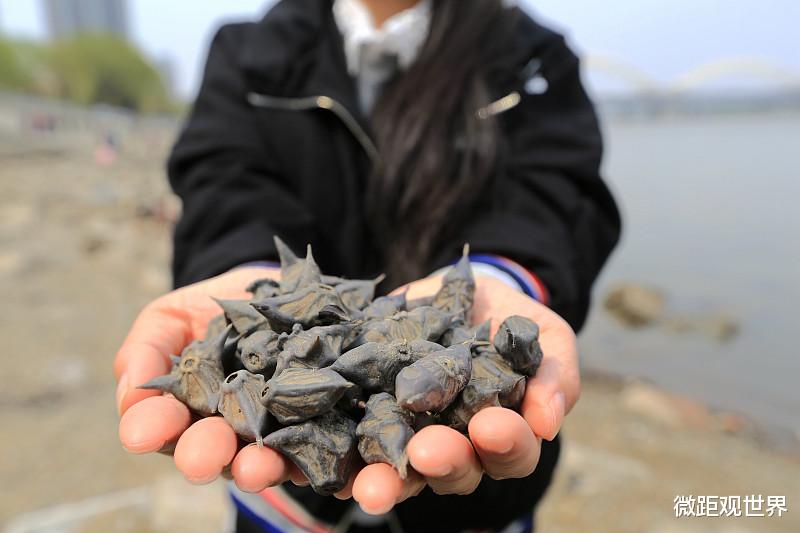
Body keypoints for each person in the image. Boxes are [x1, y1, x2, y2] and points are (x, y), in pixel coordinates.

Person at [114, 0, 620, 531]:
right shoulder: (248, 50)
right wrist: (250, 277)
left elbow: (555, 195)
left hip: (471, 508)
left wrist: (502, 276)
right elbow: (222, 183)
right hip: (285, 505)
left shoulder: (534, 58)